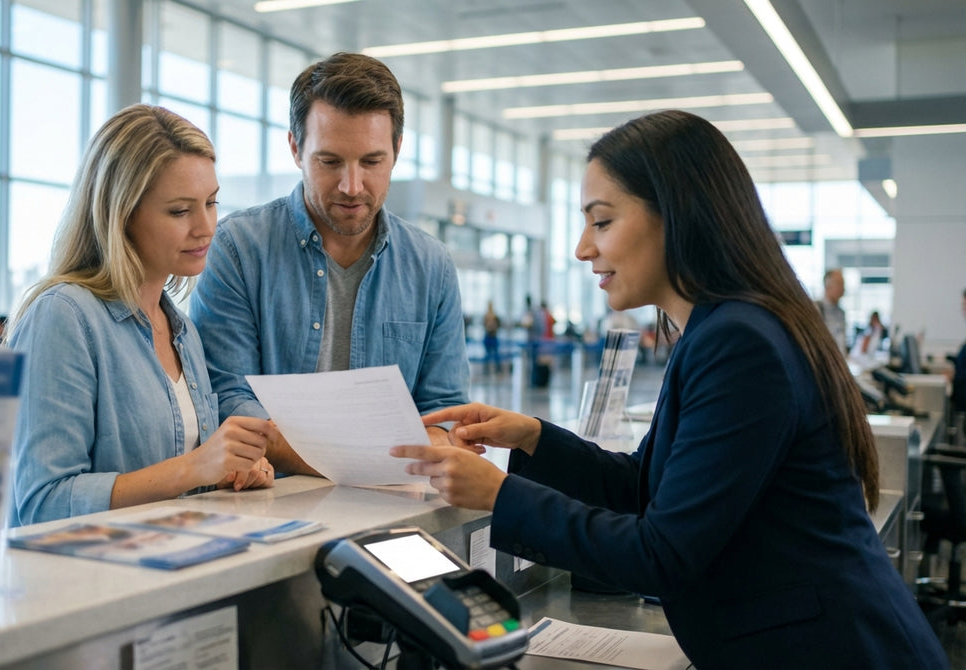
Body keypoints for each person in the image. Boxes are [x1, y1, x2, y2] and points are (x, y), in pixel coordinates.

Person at [391, 110, 947, 669]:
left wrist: (498, 494)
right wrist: (533, 437)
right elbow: (646, 487)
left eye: (601, 222)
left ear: (675, 216)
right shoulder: (720, 328)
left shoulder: (739, 343)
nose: (583, 248)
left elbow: (661, 554)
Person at [189, 52, 470, 476]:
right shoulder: (238, 248)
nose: (352, 186)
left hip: (396, 502)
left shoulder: (430, 265)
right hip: (274, 504)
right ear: (295, 148)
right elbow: (230, 397)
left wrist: (434, 441)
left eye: (372, 161)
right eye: (330, 161)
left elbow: (444, 410)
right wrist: (363, 464)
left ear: (396, 150)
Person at [5, 104, 274, 526]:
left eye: (211, 202)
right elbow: (43, 503)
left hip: (172, 571)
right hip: (92, 586)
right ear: (122, 215)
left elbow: (175, 487)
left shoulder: (182, 330)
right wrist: (196, 467)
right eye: (180, 211)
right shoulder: (64, 317)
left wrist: (229, 473)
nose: (206, 227)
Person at [816, 268, 848, 353]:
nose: (843, 289)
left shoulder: (841, 313)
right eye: (839, 284)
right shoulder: (817, 309)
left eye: (843, 284)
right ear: (827, 286)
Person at [482, 301, 502, 376]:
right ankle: (486, 371)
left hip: (493, 337)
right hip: (488, 337)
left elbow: (498, 325)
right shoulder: (486, 316)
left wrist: (493, 327)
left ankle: (498, 370)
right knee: (487, 354)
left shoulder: (495, 316)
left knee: (496, 355)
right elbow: (484, 325)